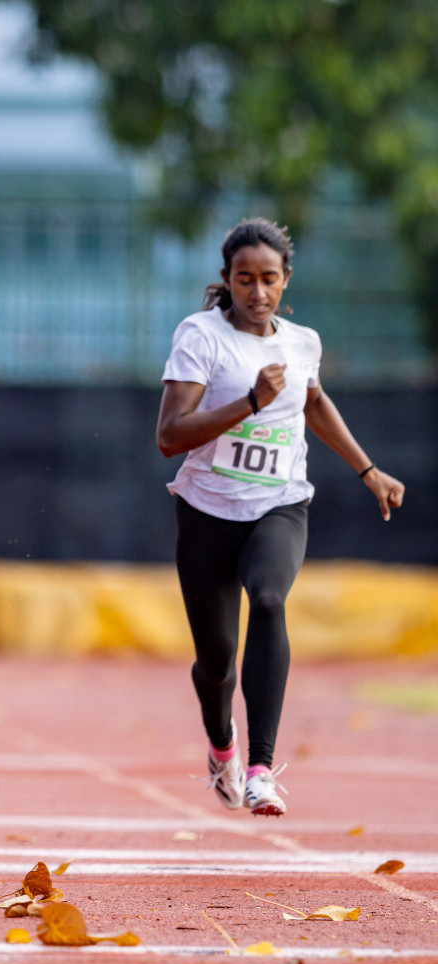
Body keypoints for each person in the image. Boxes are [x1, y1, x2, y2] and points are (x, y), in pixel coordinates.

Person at [156, 218, 404, 816]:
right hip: (208, 511)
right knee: (217, 662)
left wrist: (368, 469)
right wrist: (248, 403)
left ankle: (261, 771)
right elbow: (169, 435)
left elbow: (314, 403)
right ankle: (223, 748)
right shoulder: (201, 337)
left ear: (286, 280)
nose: (257, 292)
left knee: (269, 598)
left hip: (280, 504)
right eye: (245, 279)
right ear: (227, 280)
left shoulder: (302, 343)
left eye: (269, 279)